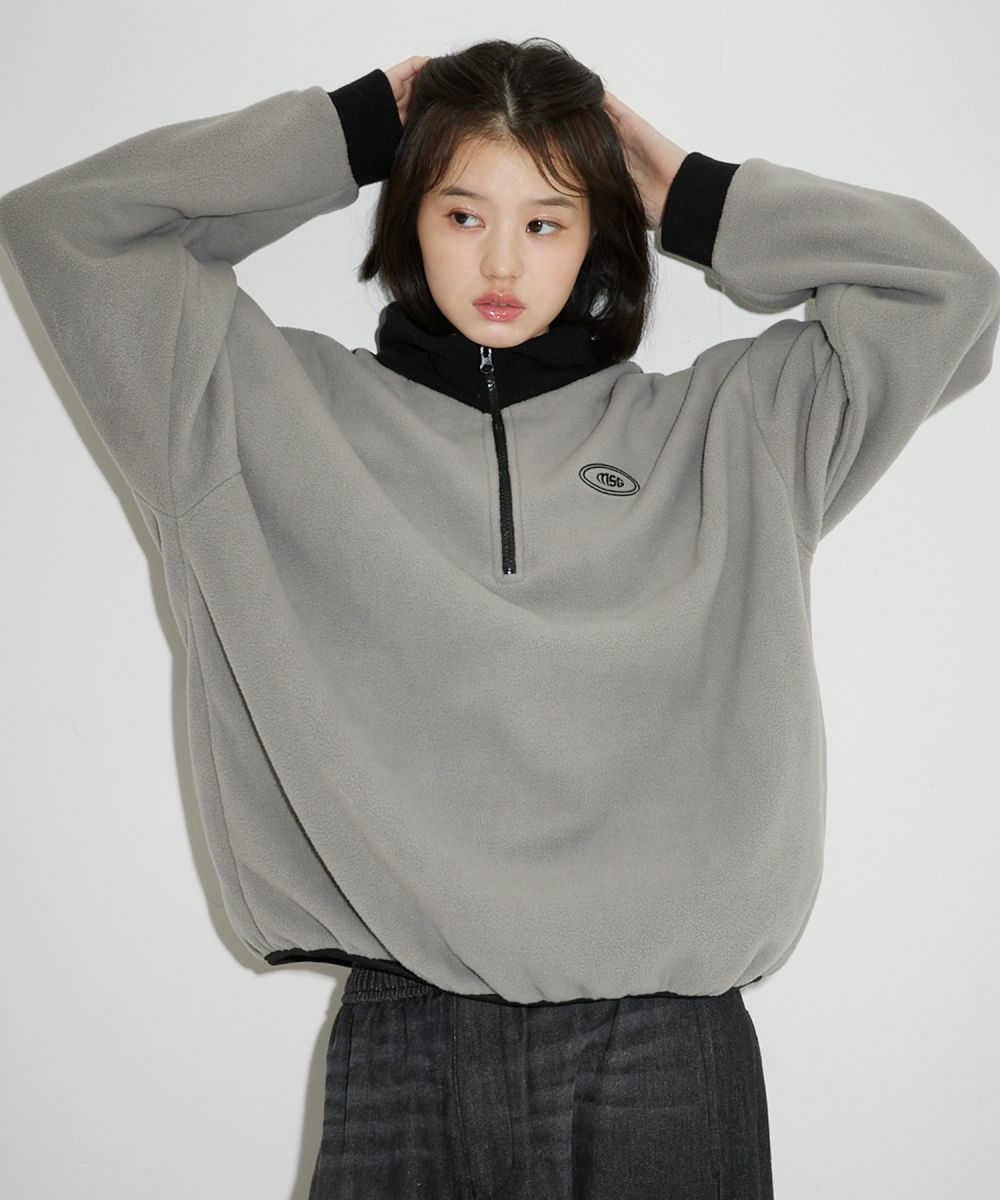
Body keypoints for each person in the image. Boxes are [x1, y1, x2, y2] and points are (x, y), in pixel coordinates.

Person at [1, 34, 997, 1200]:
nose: (502, 261)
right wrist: (346, 131)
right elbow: (63, 227)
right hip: (404, 1043)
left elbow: (948, 293)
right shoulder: (251, 410)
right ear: (409, 215)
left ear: (599, 233)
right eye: (463, 212)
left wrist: (692, 193)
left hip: (664, 1049)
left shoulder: (738, 429)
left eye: (547, 219)